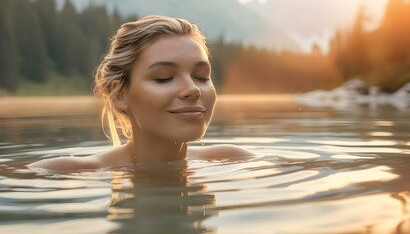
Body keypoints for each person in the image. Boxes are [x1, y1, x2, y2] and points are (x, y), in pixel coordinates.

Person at [28, 15, 253, 171]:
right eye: (164, 78)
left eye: (201, 76)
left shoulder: (234, 160)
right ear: (120, 95)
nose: (193, 89)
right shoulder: (62, 171)